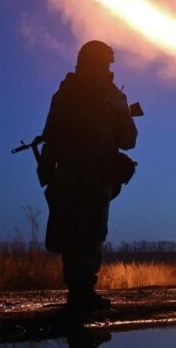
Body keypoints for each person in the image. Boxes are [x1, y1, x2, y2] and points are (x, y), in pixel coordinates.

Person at [40, 40, 138, 311]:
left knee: (72, 231)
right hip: (96, 176)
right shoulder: (111, 96)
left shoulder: (64, 93)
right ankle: (84, 294)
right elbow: (129, 139)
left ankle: (76, 291)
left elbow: (51, 133)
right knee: (92, 232)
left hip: (68, 174)